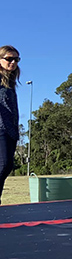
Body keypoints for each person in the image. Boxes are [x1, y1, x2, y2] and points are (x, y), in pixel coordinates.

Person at [0, 46, 20, 205]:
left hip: (11, 130)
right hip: (0, 129)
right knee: (4, 164)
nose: (13, 62)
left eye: (16, 60)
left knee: (7, 166)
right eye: (9, 59)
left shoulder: (10, 82)